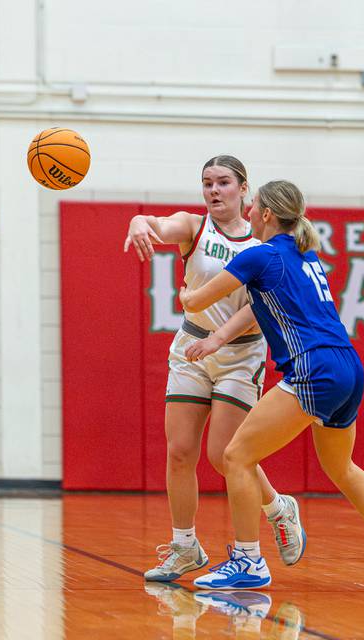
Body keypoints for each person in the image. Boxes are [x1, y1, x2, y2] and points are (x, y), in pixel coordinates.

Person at [179, 180, 364, 589]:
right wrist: (218, 337)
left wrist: (187, 294)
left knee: (235, 456)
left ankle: (248, 561)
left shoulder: (259, 254)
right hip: (348, 364)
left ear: (268, 215)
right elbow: (261, 308)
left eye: (254, 207)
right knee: (340, 466)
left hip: (314, 368)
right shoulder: (307, 256)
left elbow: (199, 301)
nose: (249, 212)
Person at [124, 157, 305, 583]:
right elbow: (156, 223)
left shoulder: (264, 242)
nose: (214, 191)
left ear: (245, 189)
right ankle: (185, 546)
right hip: (191, 344)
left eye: (224, 182)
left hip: (241, 352)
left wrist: (218, 339)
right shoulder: (193, 226)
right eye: (207, 183)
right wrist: (137, 221)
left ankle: (279, 508)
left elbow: (259, 313)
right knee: (180, 450)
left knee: (224, 455)